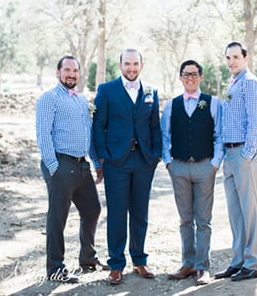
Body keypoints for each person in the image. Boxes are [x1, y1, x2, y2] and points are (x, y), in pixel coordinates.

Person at [91, 48, 162, 285]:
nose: (131, 68)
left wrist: (155, 154)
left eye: (135, 64)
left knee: (140, 213)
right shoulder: (107, 90)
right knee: (118, 213)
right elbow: (99, 124)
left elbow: (154, 126)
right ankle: (115, 264)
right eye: (127, 64)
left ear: (142, 65)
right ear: (120, 65)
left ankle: (139, 260)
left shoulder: (151, 91)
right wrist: (102, 156)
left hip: (143, 161)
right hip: (116, 162)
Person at [35, 56, 105, 284]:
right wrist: (54, 167)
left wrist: (95, 163)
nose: (71, 74)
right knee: (58, 217)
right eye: (67, 70)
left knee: (93, 209)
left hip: (81, 164)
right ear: (58, 73)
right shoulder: (49, 98)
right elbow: (43, 134)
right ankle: (55, 268)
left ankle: (88, 258)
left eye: (75, 70)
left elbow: (90, 135)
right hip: (61, 164)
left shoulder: (82, 101)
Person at [161, 60, 223, 286]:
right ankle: (187, 263)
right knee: (185, 220)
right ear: (180, 77)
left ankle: (202, 267)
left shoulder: (212, 103)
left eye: (194, 74)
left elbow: (219, 135)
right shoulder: (171, 105)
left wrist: (215, 164)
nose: (190, 77)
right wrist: (168, 163)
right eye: (186, 74)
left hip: (204, 167)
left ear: (200, 77)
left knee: (203, 220)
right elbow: (164, 136)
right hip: (178, 167)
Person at [214, 41, 257, 282]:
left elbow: (256, 123)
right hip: (229, 155)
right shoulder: (233, 83)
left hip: (245, 155)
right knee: (236, 213)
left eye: (235, 56)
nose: (231, 61)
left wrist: (246, 156)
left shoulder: (251, 84)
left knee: (250, 211)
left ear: (246, 57)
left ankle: (253, 263)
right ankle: (238, 261)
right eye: (228, 57)